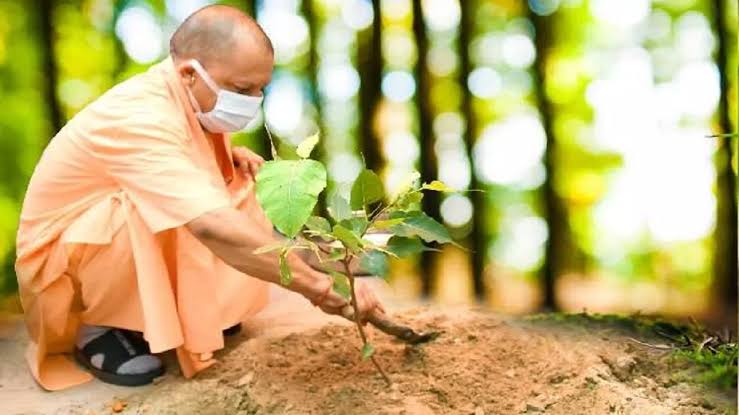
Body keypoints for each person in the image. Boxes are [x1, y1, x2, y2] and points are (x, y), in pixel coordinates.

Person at [15, 5, 383, 391]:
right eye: (242, 90)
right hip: (65, 261)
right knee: (171, 210)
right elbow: (208, 222)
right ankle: (98, 326)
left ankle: (187, 310)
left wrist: (225, 160)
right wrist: (320, 287)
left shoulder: (188, 101)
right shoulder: (140, 116)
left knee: (236, 179)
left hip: (105, 235)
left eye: (261, 89)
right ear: (190, 73)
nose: (253, 100)